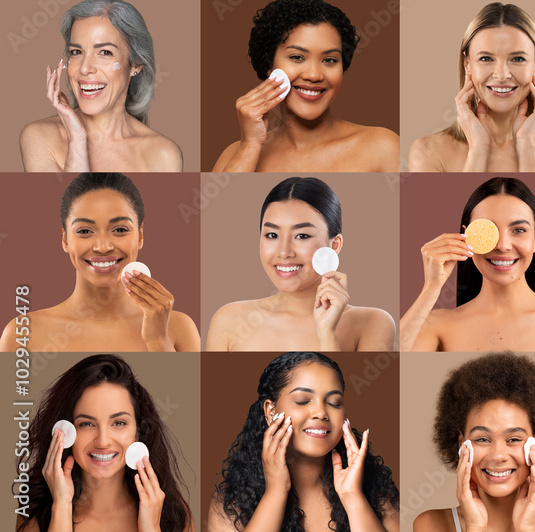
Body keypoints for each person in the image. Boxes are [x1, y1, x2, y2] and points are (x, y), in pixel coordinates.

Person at [0, 173, 200, 352]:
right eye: (85, 231)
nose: (103, 247)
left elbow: (179, 393)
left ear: (140, 236)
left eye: (120, 230)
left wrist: (158, 340)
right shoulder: (22, 334)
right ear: (65, 240)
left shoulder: (178, 327)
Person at [400, 177, 535, 352]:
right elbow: (391, 372)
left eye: (519, 230)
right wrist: (431, 288)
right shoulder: (436, 325)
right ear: (466, 236)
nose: (502, 246)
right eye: (488, 231)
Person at [209, 351, 399, 532]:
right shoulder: (232, 504)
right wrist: (275, 491)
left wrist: (353, 497)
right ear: (270, 411)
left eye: (334, 402)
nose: (321, 413)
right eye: (302, 400)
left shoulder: (378, 493)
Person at [206, 177, 395, 351]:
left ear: (334, 245)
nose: (284, 252)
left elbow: (341, 387)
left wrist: (327, 333)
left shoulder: (373, 323)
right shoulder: (229, 320)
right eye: (272, 235)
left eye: (302, 236)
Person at [414, 352, 535, 531]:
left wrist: (527, 528)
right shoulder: (430, 524)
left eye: (513, 439)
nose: (498, 456)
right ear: (462, 444)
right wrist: (475, 527)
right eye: (483, 439)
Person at [212, 0, 398, 172]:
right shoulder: (234, 154)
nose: (314, 75)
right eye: (297, 57)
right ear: (269, 65)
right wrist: (250, 145)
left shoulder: (383, 148)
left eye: (329, 60)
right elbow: (222, 208)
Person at [16, 354, 193, 532]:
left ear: (138, 432)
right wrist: (61, 506)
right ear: (65, 432)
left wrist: (152, 528)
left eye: (118, 423)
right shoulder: (34, 514)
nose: (103, 441)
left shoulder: (174, 515)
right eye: (86, 424)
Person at [407, 3, 535, 172]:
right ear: (467, 64)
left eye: (517, 59)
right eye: (486, 58)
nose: (502, 75)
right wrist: (479, 149)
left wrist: (527, 147)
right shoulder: (427, 153)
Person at [20, 0, 182, 172]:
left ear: (135, 65)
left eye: (105, 52)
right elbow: (66, 199)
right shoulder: (39, 136)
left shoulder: (164, 154)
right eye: (76, 52)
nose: (84, 68)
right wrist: (77, 140)